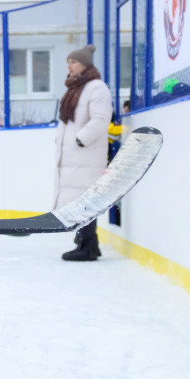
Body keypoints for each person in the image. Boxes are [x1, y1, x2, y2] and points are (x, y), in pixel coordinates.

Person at [55, 45, 111, 261]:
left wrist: (81, 139)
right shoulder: (74, 88)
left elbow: (100, 119)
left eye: (74, 62)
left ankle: (87, 246)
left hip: (86, 154)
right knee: (78, 200)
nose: (69, 65)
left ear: (85, 65)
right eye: (68, 61)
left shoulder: (96, 87)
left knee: (85, 200)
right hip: (74, 155)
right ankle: (87, 243)